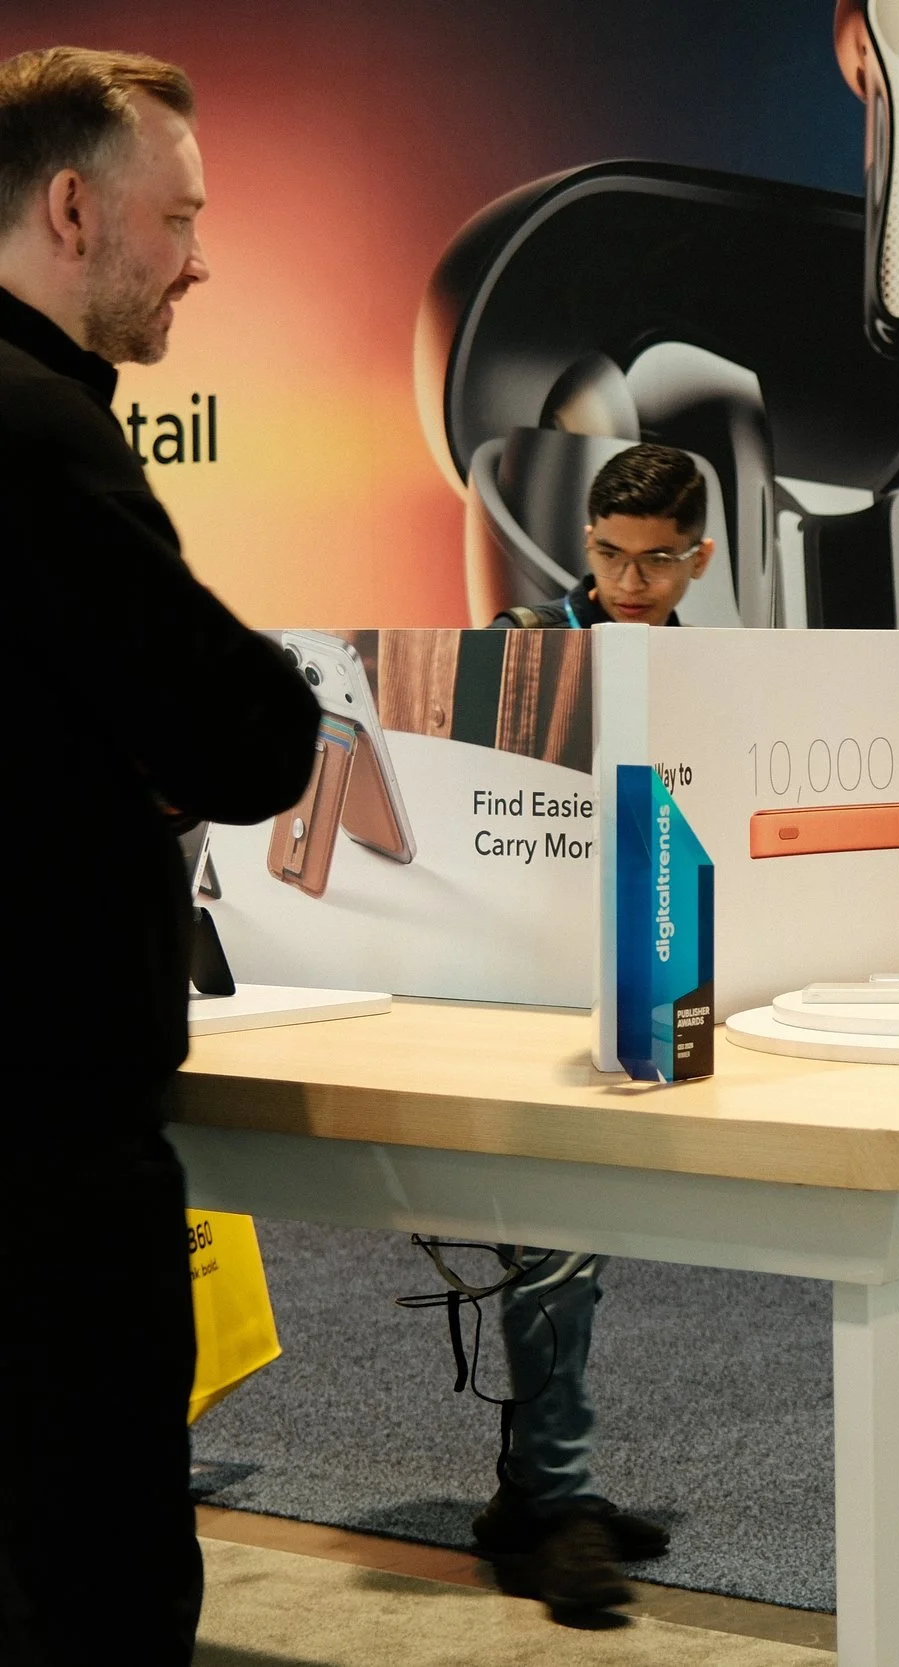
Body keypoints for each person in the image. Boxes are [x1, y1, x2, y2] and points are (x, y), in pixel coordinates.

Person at [0, 48, 318, 1665]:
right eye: (177, 216)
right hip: (47, 1149)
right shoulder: (44, 440)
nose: (200, 258)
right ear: (71, 209)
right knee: (95, 1593)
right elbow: (254, 736)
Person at [474, 443, 708, 1609]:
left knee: (573, 1247)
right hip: (527, 978)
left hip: (649, 972)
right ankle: (556, 1506)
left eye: (655, 559)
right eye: (611, 555)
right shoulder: (523, 647)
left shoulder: (713, 670)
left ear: (697, 556)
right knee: (554, 1244)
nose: (630, 579)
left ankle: (532, 1490)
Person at [491, 442, 715, 628]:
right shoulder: (514, 640)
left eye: (656, 560)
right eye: (610, 555)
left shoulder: (712, 659)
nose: (629, 585)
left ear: (700, 560)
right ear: (589, 543)